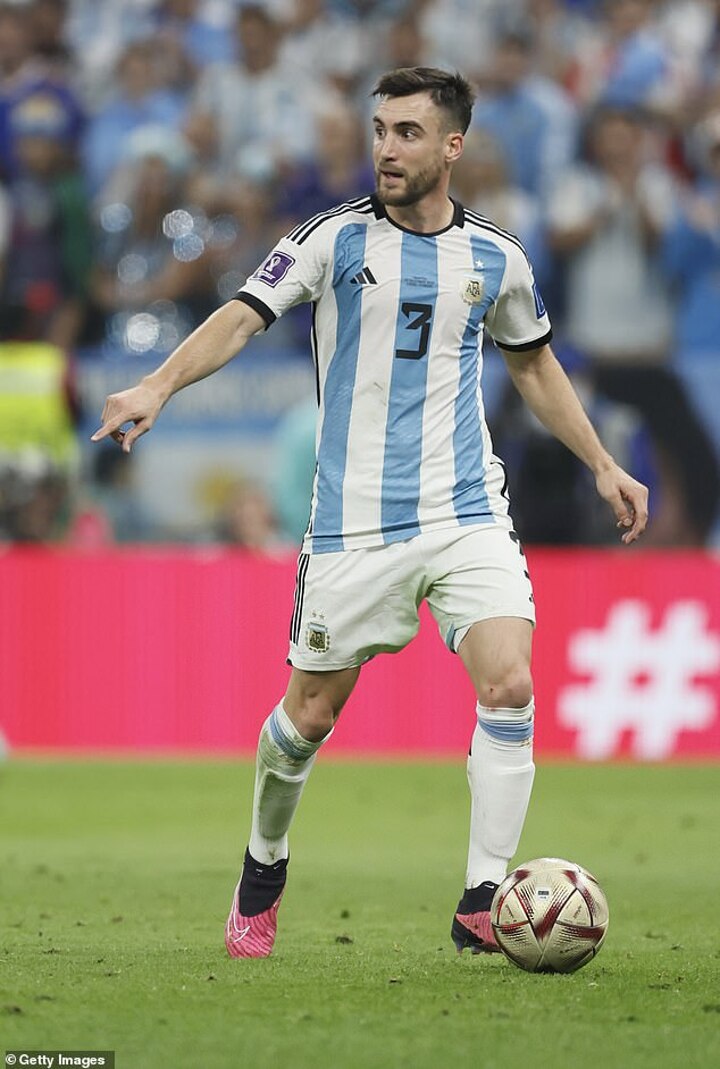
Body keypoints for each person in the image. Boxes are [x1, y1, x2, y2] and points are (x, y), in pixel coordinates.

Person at [92, 67, 648, 960]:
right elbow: (242, 316)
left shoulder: (497, 257)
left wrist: (603, 463)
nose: (387, 148)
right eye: (381, 130)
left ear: (452, 146)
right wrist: (158, 382)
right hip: (353, 523)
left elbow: (534, 364)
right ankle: (264, 863)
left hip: (466, 509)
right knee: (307, 720)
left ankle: (481, 899)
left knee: (510, 683)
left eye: (408, 133)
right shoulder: (332, 238)